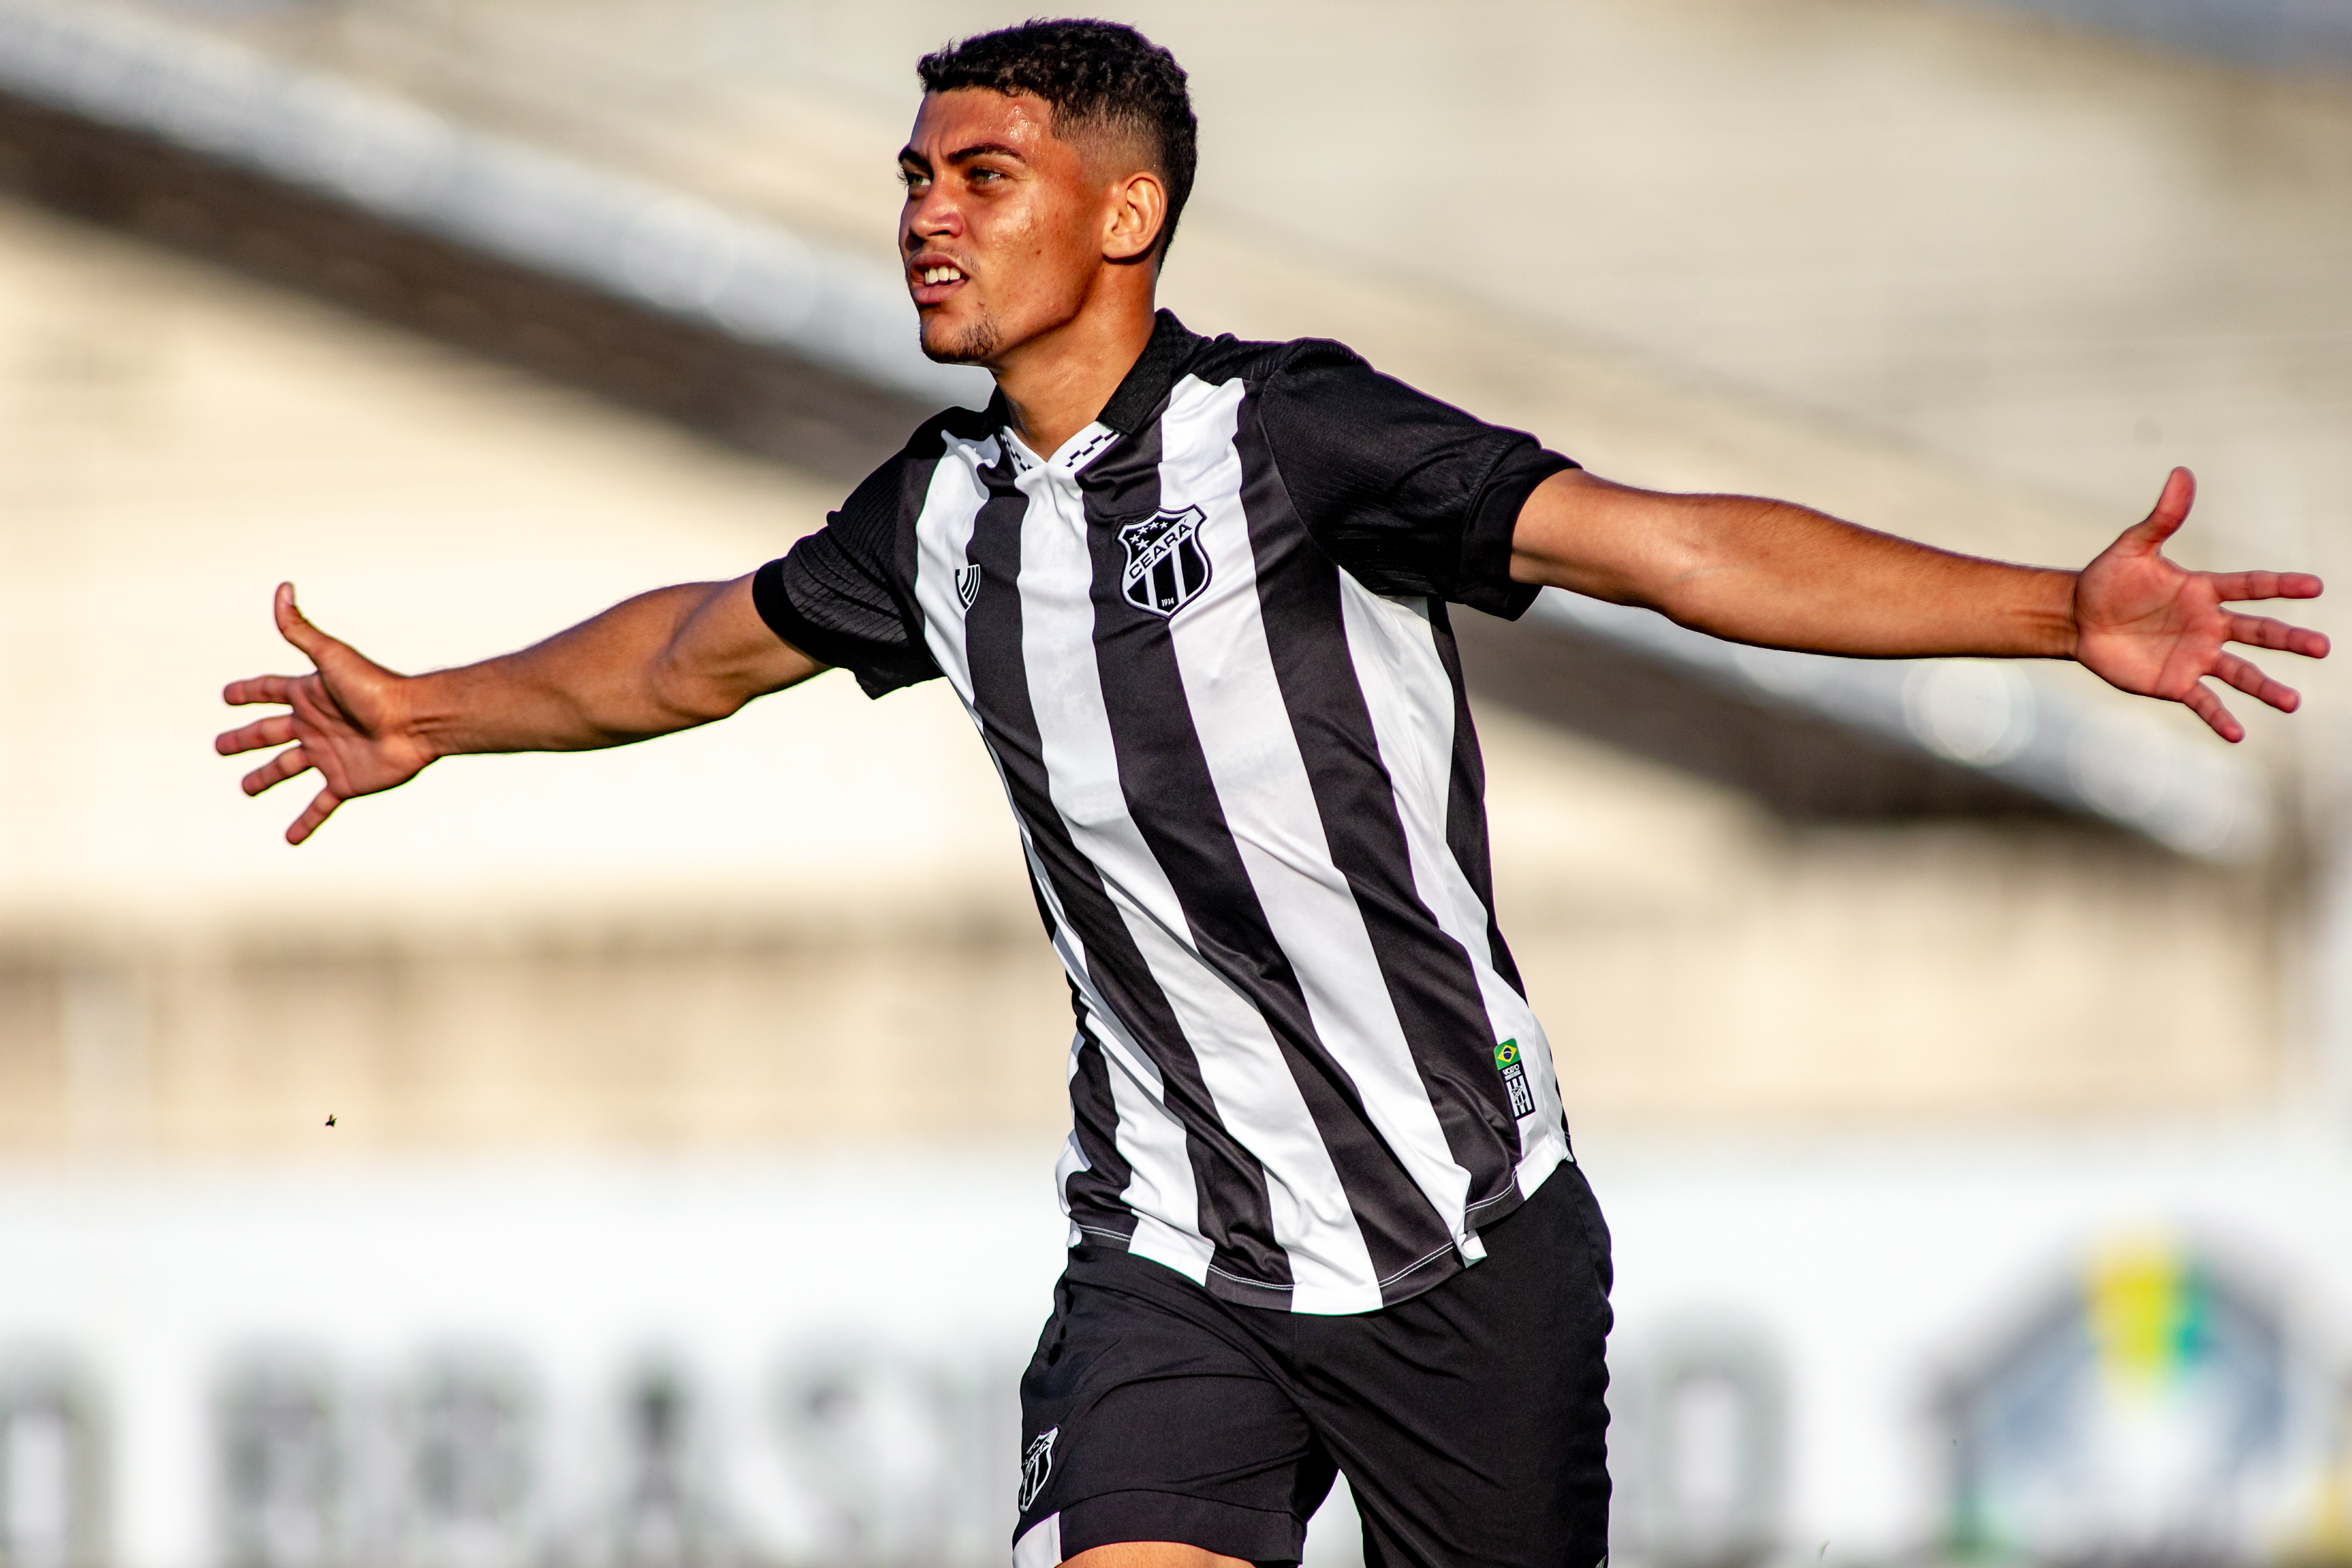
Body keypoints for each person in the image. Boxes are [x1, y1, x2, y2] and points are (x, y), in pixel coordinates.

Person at [215, 19, 2327, 1568]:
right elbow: (695, 649)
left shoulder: (1296, 442)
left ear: (1125, 212)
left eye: (982, 172)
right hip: (1173, 1252)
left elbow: (1671, 548)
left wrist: (2057, 610)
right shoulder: (938, 517)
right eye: (914, 175)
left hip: (1463, 1238)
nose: (926, 212)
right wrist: (443, 711)